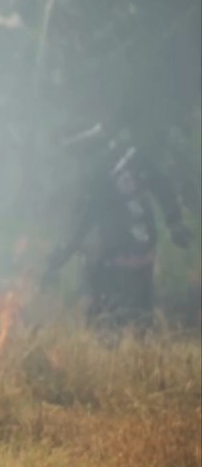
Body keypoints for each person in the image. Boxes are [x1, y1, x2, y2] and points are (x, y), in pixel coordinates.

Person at [42, 119, 193, 333]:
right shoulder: (133, 156)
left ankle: (111, 345)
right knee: (141, 314)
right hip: (145, 249)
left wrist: (61, 256)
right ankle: (143, 344)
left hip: (115, 255)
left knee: (103, 317)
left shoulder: (95, 175)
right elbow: (161, 184)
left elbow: (83, 221)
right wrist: (174, 221)